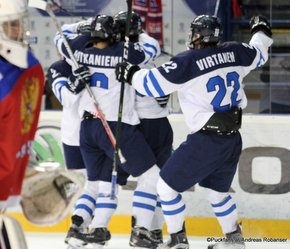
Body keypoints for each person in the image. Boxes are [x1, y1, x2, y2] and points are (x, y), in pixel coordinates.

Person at [115, 14, 273, 249]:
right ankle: (234, 239)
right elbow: (259, 50)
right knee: (216, 192)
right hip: (232, 139)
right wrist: (260, 29)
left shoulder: (188, 61)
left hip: (206, 141)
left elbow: (150, 84)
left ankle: (179, 240)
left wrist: (130, 73)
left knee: (165, 188)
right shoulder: (237, 52)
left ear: (198, 35)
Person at [54, 14, 162, 249]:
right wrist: (134, 33)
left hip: (87, 128)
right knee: (152, 177)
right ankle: (142, 230)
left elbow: (59, 36)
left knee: (100, 184)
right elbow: (153, 48)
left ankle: (88, 227)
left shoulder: (77, 51)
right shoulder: (124, 53)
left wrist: (82, 27)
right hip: (115, 127)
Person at [113, 10, 173, 247]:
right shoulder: (111, 46)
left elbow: (139, 57)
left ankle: (153, 229)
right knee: (139, 179)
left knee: (159, 180)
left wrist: (125, 42)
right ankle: (138, 228)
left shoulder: (148, 42)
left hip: (153, 121)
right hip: (125, 123)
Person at [0, 0, 45, 247]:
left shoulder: (27, 68)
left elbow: (16, 129)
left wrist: (26, 168)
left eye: (18, 24)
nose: (19, 31)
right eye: (11, 25)